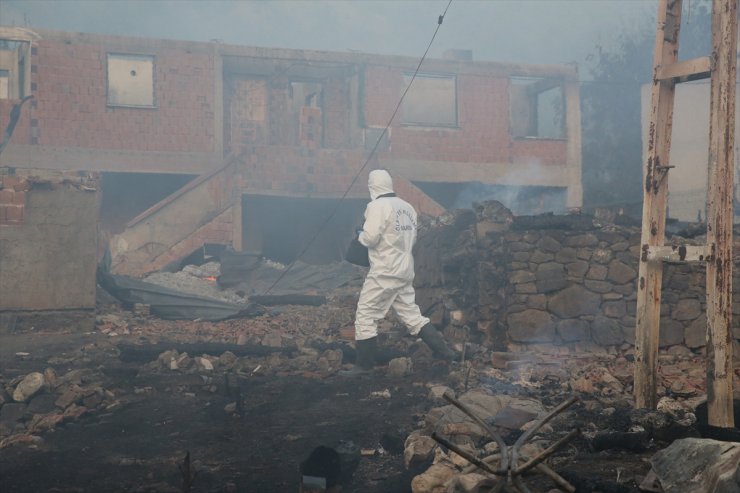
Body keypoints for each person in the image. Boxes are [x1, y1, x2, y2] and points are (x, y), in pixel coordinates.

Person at [351, 169, 455, 371]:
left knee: (365, 314)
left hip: (384, 271)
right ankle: (445, 352)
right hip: (405, 269)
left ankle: (364, 366)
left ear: (373, 186)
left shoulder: (376, 206)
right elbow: (412, 238)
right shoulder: (407, 207)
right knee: (412, 316)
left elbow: (371, 238)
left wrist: (360, 235)